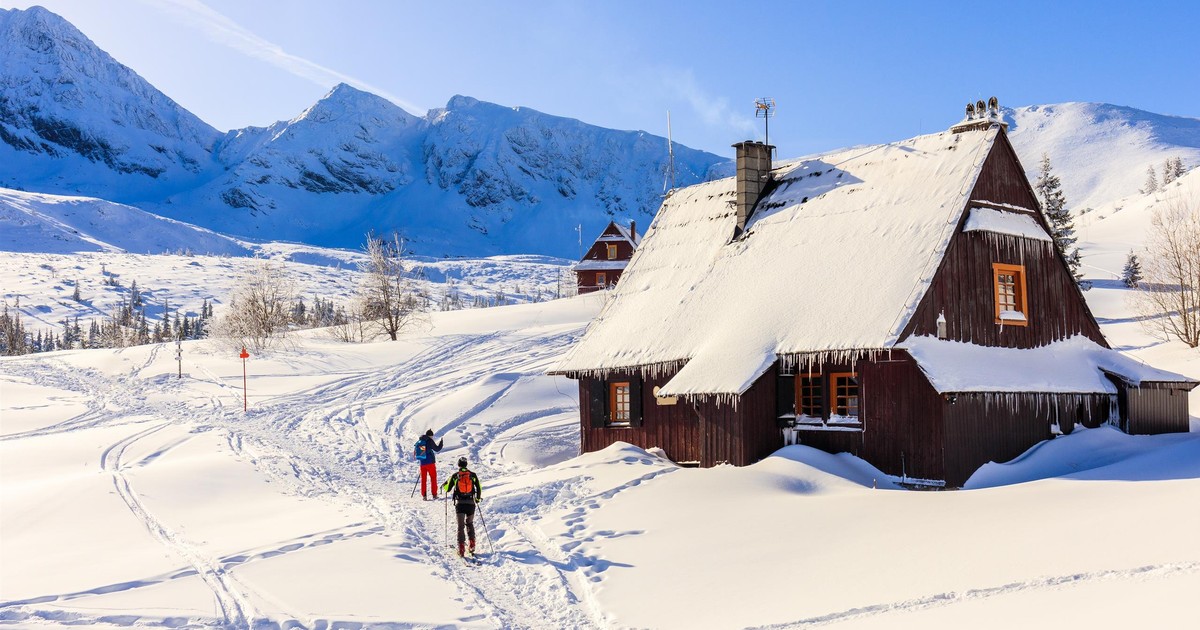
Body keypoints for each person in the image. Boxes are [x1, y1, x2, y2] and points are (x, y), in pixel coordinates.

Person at [443, 456, 482, 557]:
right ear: (466, 464)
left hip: (460, 504)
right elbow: (479, 487)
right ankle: (472, 543)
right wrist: (477, 499)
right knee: (469, 523)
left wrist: (445, 484)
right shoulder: (473, 475)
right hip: (471, 504)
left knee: (460, 526)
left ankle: (461, 548)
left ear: (458, 465)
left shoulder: (455, 476)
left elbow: (447, 489)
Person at [414, 429, 443, 500]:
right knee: (433, 478)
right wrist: (441, 443)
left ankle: (424, 496)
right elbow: (437, 449)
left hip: (422, 463)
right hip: (430, 463)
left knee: (423, 479)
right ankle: (434, 494)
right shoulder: (429, 441)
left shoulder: (420, 441)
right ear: (430, 435)